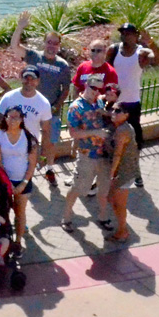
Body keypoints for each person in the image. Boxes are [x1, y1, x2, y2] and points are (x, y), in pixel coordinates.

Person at [10, 11, 73, 186]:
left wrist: (56, 107)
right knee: (26, 139)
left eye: (55, 43)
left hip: (50, 111)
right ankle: (26, 169)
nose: (51, 46)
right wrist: (20, 27)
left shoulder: (62, 65)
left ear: (59, 45)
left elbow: (66, 89)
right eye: (49, 42)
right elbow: (15, 46)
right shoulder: (33, 56)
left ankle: (49, 169)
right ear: (44, 43)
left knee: (50, 142)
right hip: (29, 108)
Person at [108, 23, 159, 188]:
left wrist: (151, 43)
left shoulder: (141, 53)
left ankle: (135, 172)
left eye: (129, 33)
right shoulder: (114, 50)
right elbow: (105, 69)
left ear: (136, 35)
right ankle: (112, 172)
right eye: (123, 33)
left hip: (131, 103)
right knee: (110, 139)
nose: (125, 36)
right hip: (113, 103)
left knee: (134, 140)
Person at [61, 76, 112, 234]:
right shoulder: (75, 107)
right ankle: (66, 217)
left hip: (104, 155)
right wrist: (95, 132)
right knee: (78, 188)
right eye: (93, 88)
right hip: (87, 155)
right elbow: (73, 132)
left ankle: (103, 217)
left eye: (98, 89)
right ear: (86, 85)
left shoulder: (99, 103)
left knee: (103, 190)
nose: (95, 92)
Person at [0, 106, 39, 253]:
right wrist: (8, 182)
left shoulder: (29, 138)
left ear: (22, 119)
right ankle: (2, 237)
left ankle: (17, 241)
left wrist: (23, 183)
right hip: (3, 180)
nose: (13, 120)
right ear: (5, 118)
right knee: (2, 210)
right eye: (10, 117)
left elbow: (32, 163)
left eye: (16, 117)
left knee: (20, 211)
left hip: (22, 181)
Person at [0, 65, 53, 188]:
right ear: (21, 79)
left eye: (33, 79)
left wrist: (42, 153)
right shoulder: (9, 97)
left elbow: (46, 130)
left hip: (29, 147)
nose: (29, 82)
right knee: (5, 177)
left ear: (38, 81)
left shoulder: (43, 103)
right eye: (26, 78)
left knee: (25, 181)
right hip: (7, 143)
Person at [106, 102, 139, 243]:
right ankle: (122, 228)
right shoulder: (119, 127)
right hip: (122, 170)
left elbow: (118, 154)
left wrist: (112, 174)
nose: (113, 113)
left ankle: (122, 231)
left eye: (118, 111)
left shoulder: (122, 131)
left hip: (125, 172)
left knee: (119, 204)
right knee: (112, 199)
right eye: (112, 110)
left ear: (126, 115)